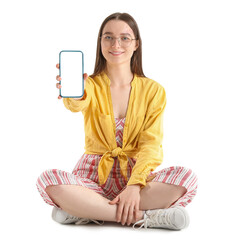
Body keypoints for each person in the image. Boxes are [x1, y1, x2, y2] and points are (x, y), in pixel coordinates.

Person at [36, 12, 198, 230]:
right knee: (48, 179)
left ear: (136, 44)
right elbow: (76, 104)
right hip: (92, 179)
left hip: (136, 179)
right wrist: (75, 93)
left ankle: (85, 211)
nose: (116, 44)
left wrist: (133, 185)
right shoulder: (90, 85)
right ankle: (143, 217)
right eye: (108, 37)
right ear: (100, 42)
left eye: (124, 37)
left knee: (187, 177)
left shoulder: (154, 91)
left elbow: (151, 145)